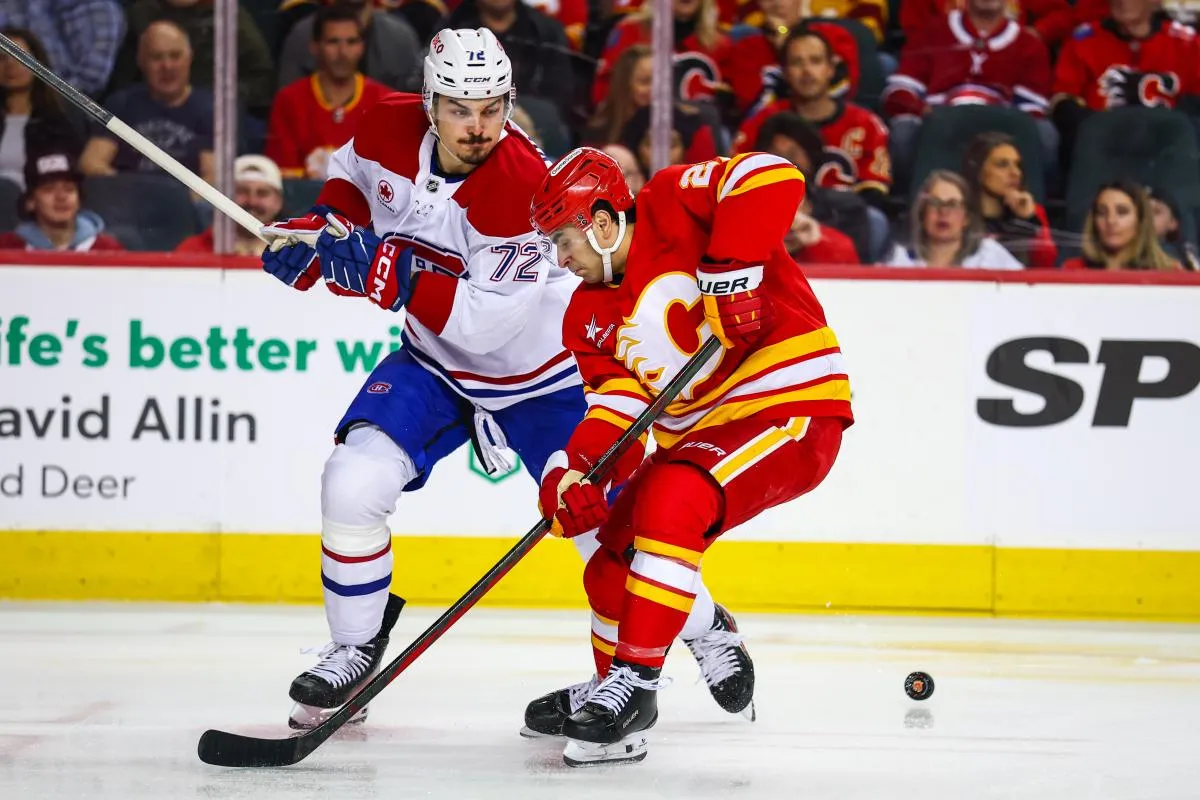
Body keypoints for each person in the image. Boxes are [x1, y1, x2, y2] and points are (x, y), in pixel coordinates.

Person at [257, 27, 751, 732]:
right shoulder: (383, 123)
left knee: (604, 536)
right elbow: (352, 179)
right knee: (351, 481)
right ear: (430, 103)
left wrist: (370, 269)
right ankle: (352, 648)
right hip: (435, 365)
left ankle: (705, 626)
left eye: (493, 107)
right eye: (461, 108)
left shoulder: (522, 187)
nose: (479, 125)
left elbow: (481, 324)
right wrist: (326, 233)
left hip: (542, 378)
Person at [527, 147, 855, 766]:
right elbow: (619, 408)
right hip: (698, 443)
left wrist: (732, 269)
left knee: (675, 500)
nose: (560, 259)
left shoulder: (671, 200)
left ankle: (637, 686)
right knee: (607, 565)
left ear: (599, 223)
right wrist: (583, 472)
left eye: (563, 240)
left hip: (788, 409)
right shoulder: (586, 315)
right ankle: (615, 700)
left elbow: (773, 175)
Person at [266, 4, 391, 179]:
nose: (343, 52)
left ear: (362, 47)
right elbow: (280, 174)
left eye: (351, 42)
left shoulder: (385, 103)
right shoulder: (289, 100)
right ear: (315, 47)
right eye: (333, 42)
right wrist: (310, 174)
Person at [885, 170, 1024, 268]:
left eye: (953, 204)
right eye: (935, 203)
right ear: (923, 213)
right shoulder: (899, 259)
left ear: (967, 218)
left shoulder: (989, 255)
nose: (943, 212)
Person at [961, 132, 1057, 268]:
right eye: (1002, 164)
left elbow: (1045, 264)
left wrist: (1027, 220)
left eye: (1018, 165)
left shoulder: (1033, 213)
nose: (1015, 172)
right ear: (978, 170)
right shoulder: (958, 215)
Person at [0, 150, 123, 251]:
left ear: (79, 200)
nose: (61, 197)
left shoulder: (107, 248)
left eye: (69, 189)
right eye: (49, 190)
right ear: (30, 202)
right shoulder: (7, 247)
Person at [175, 155, 284, 256]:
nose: (252, 201)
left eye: (262, 193)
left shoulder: (294, 255)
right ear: (224, 198)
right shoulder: (192, 250)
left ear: (278, 202)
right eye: (242, 191)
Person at [1061, 179, 1181, 270]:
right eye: (1102, 213)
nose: (1111, 221)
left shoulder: (1170, 271)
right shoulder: (1073, 269)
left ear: (1141, 220)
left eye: (1122, 212)